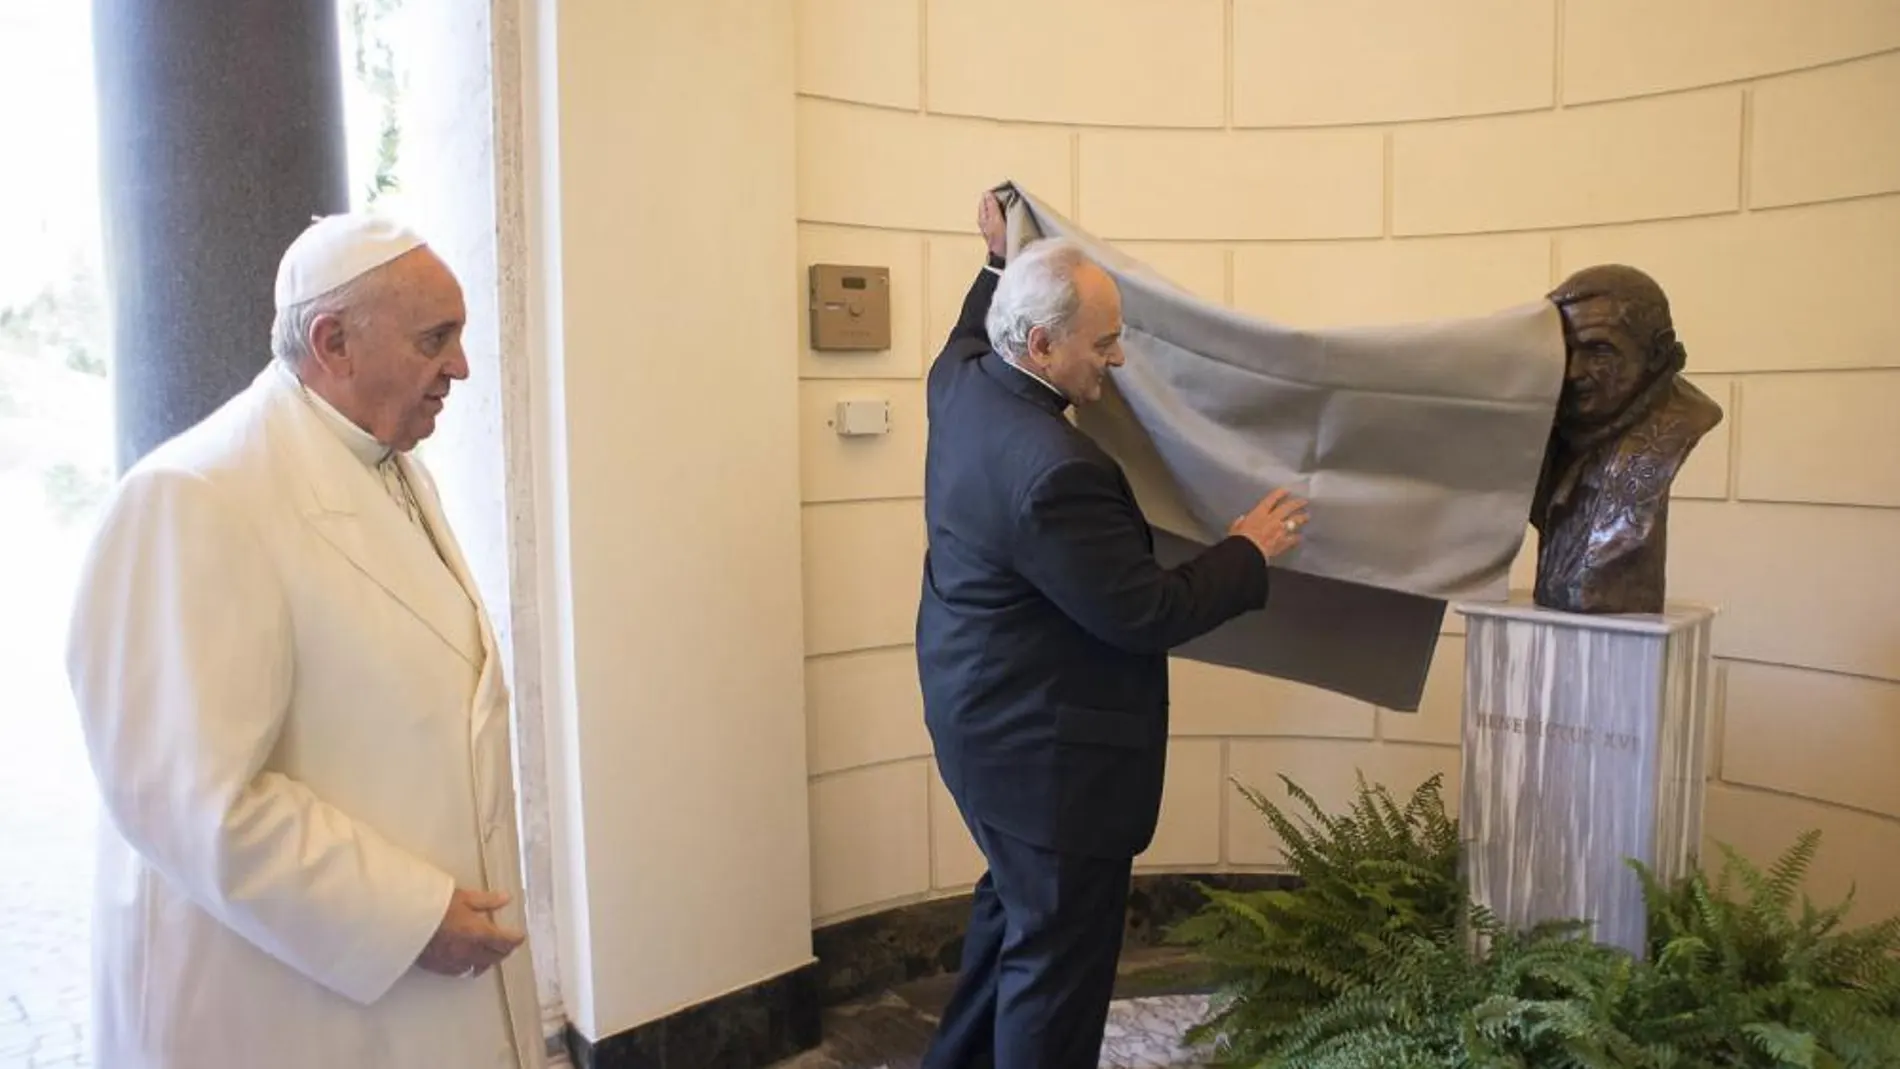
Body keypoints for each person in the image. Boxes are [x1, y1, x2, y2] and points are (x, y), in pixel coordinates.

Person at [64, 214, 544, 1068]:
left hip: (408, 992)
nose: (461, 367)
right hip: (293, 1002)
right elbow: (189, 796)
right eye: (436, 339)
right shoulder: (193, 497)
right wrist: (407, 914)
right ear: (333, 342)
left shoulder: (388, 460)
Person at [915, 192, 1310, 1068]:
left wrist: (997, 256)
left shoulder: (962, 384)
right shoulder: (1057, 470)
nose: (1119, 358)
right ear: (1043, 344)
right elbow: (1144, 612)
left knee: (1015, 917)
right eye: (1104, 342)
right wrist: (1247, 548)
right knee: (1056, 968)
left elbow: (968, 330)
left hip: (978, 725)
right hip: (1047, 761)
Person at [1530, 263, 1723, 614]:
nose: (1573, 372)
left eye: (1599, 351)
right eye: (1565, 350)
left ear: (1658, 354)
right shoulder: (1547, 429)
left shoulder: (1681, 424)